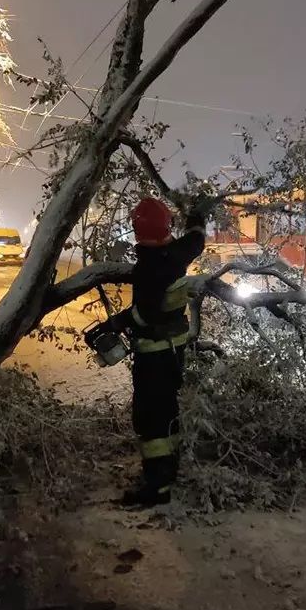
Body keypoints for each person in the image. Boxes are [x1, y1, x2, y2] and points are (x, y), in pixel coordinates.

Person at [101, 197, 206, 507]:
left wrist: (116, 322)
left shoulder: (149, 266)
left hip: (152, 356)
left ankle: (156, 488)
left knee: (150, 420)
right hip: (175, 353)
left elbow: (143, 316)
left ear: (136, 232)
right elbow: (197, 239)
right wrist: (198, 215)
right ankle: (168, 472)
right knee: (168, 411)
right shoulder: (178, 252)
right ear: (167, 225)